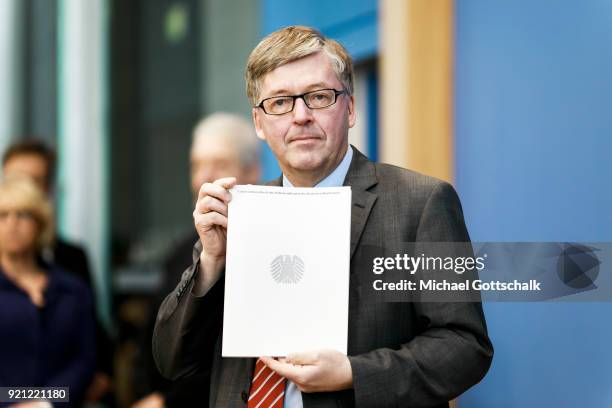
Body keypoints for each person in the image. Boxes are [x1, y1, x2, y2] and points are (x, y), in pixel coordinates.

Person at [153, 26, 493, 407]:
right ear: (259, 123)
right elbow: (172, 361)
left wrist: (353, 373)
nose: (300, 116)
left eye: (318, 97)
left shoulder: (421, 203)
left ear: (349, 108)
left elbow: (466, 346)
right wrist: (213, 262)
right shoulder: (238, 214)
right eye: (280, 102)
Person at [132, 113, 261, 408]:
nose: (204, 175)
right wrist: (144, 396)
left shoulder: (269, 248)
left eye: (219, 164)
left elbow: (234, 361)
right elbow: (155, 340)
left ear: (252, 170)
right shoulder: (180, 251)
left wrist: (164, 401)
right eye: (197, 164)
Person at [1, 139, 114, 403]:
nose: (12, 225)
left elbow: (84, 358)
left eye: (23, 214)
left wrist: (46, 401)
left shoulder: (71, 286)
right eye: (3, 215)